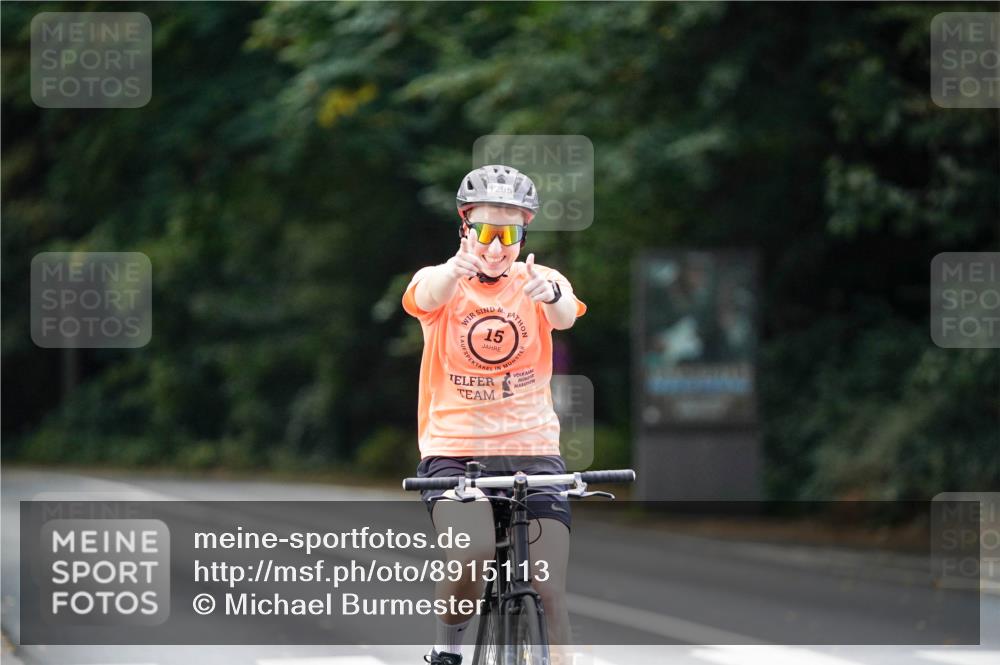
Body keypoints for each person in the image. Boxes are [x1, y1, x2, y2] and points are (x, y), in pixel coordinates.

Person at [401, 165, 586, 665]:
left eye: (509, 233)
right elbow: (425, 297)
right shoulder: (442, 281)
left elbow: (564, 313)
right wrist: (453, 272)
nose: (497, 245)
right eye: (485, 231)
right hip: (456, 455)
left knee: (551, 595)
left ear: (522, 234)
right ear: (465, 229)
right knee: (472, 554)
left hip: (534, 453)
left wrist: (552, 296)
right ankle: (448, 648)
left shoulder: (539, 279)